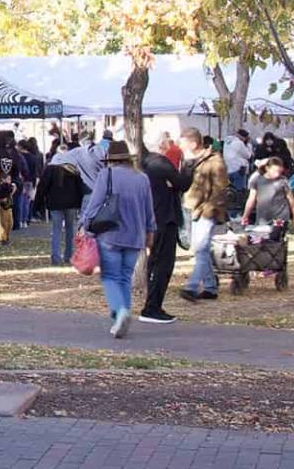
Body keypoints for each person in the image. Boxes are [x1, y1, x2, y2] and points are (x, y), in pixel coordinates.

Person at [79, 140, 154, 339]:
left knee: (110, 276)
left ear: (110, 160)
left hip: (110, 233)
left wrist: (86, 226)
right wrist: (150, 233)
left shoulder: (107, 175)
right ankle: (123, 313)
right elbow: (149, 210)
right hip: (135, 235)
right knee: (124, 278)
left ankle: (120, 312)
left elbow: (94, 204)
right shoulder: (142, 178)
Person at [136, 134, 193, 324]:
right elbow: (182, 183)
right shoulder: (160, 164)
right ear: (163, 145)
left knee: (155, 261)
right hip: (164, 217)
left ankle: (152, 305)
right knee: (163, 263)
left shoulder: (145, 163)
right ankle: (152, 307)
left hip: (151, 216)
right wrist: (188, 167)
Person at [178, 126, 231, 303]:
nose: (181, 147)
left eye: (184, 144)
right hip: (191, 208)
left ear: (193, 144)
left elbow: (221, 188)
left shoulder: (215, 161)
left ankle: (192, 287)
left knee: (201, 249)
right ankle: (210, 287)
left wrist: (208, 210)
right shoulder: (190, 160)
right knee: (200, 250)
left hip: (206, 211)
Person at [36, 153, 86, 268]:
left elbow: (42, 187)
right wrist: (79, 203)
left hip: (55, 203)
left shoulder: (50, 170)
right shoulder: (73, 170)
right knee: (70, 230)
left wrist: (38, 204)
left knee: (56, 230)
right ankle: (69, 256)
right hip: (71, 204)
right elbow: (80, 188)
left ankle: (56, 257)